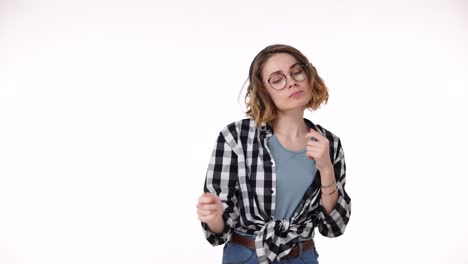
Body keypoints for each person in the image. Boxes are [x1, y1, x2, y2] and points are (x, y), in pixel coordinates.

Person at [196, 44, 351, 264]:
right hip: (247, 255)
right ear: (263, 91)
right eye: (277, 79)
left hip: (302, 256)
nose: (291, 82)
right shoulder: (236, 137)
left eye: (297, 71)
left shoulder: (329, 143)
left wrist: (326, 168)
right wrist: (213, 217)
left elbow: (334, 226)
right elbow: (218, 232)